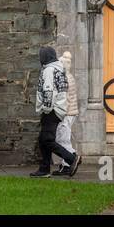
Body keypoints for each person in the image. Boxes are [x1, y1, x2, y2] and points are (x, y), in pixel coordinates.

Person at [31, 46, 80, 178]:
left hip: (51, 110)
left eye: (41, 56)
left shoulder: (49, 70)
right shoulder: (59, 70)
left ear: (45, 57)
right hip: (58, 109)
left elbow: (48, 91)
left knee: (47, 140)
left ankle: (71, 158)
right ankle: (44, 169)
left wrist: (46, 109)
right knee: (43, 139)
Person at [53, 50, 79, 173]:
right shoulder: (69, 77)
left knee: (62, 140)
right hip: (70, 113)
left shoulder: (65, 78)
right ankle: (66, 164)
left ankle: (72, 159)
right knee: (63, 139)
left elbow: (63, 98)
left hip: (66, 114)